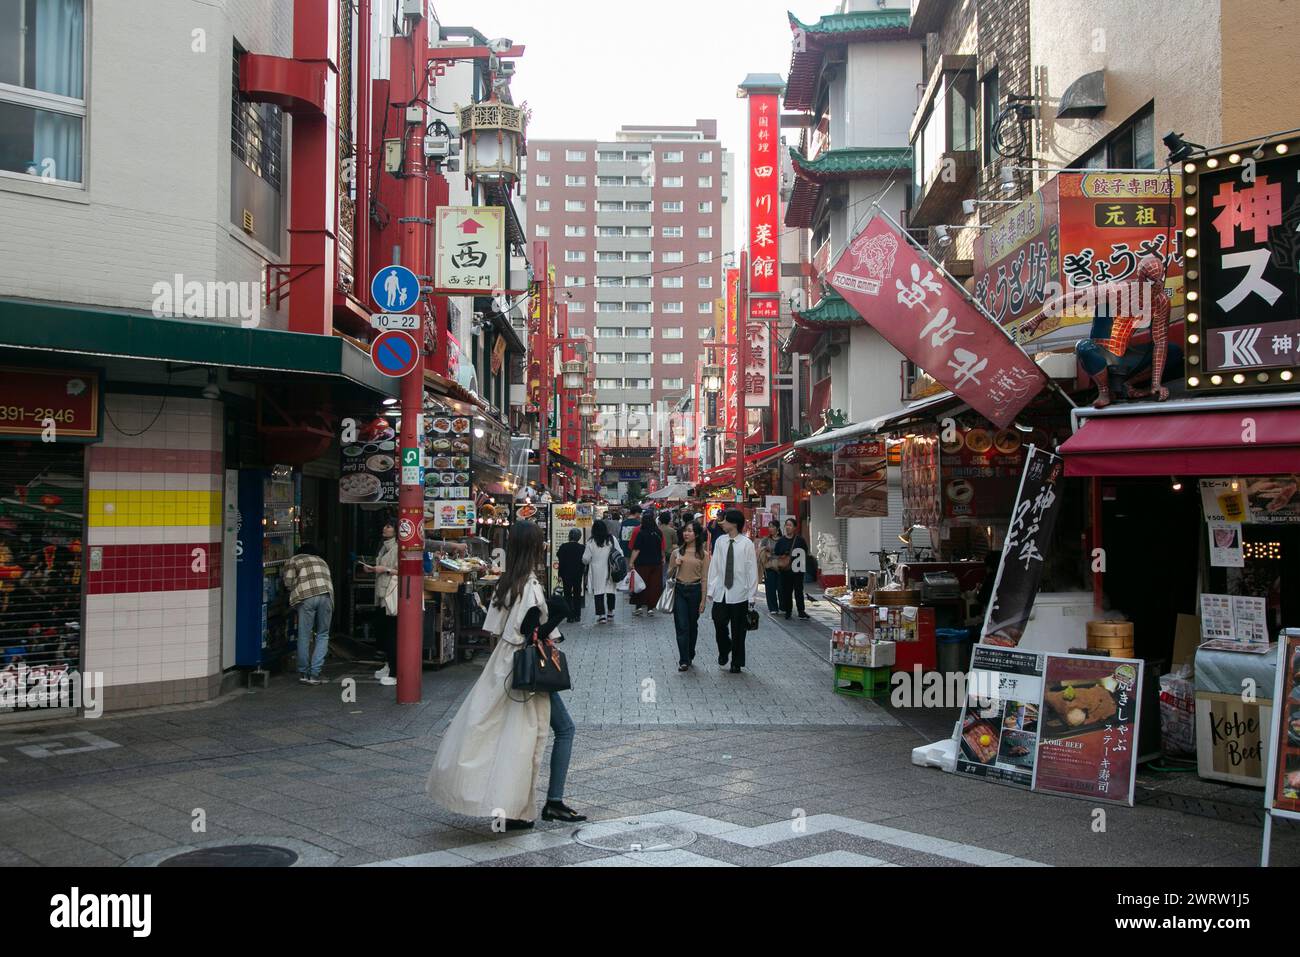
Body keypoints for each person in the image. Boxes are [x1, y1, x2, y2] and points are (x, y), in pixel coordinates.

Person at [426, 521, 586, 830]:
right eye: (540, 542)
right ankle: (549, 803)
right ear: (533, 547)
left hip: (504, 664)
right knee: (555, 731)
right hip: (529, 666)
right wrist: (554, 614)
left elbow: (497, 628)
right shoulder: (530, 584)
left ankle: (519, 805)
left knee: (508, 735)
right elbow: (533, 632)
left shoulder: (506, 582)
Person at [707, 509, 759, 674]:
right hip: (721, 591)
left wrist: (752, 595)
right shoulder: (720, 541)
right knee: (719, 622)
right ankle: (724, 648)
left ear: (734, 523)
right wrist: (711, 588)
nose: (722, 523)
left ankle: (736, 662)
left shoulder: (746, 544)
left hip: (739, 592)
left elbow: (752, 570)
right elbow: (714, 565)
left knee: (739, 630)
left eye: (725, 521)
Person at [282, 543, 334, 685]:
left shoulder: (294, 560)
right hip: (326, 596)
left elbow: (288, 582)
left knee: (304, 635)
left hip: (306, 597)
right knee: (323, 634)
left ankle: (304, 673)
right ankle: (315, 674)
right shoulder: (321, 561)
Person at [360, 521, 399, 686]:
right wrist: (373, 569)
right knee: (383, 631)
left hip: (390, 593)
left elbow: (405, 569)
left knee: (391, 633)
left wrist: (384, 570)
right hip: (381, 593)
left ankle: (395, 671)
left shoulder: (398, 548)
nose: (385, 528)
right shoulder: (384, 546)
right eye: (384, 526)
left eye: (389, 526)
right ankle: (388, 665)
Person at [667, 520, 710, 671]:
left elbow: (705, 578)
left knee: (692, 625)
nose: (686, 533)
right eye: (685, 530)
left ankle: (690, 652)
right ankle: (683, 659)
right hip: (679, 590)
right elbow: (669, 574)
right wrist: (674, 565)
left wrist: (703, 600)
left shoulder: (704, 555)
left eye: (690, 531)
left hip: (695, 590)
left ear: (697, 534)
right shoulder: (676, 553)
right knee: (682, 626)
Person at [629, 510, 664, 616]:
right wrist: (662, 558)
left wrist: (631, 562)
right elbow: (661, 547)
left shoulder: (641, 533)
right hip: (656, 563)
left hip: (642, 564)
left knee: (640, 585)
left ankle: (639, 607)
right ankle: (650, 609)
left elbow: (636, 550)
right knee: (653, 586)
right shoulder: (658, 533)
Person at [775, 518, 811, 620]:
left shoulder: (800, 540)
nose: (788, 527)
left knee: (799, 590)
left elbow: (805, 552)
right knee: (786, 591)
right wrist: (784, 553)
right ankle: (788, 610)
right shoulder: (781, 540)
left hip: (798, 569)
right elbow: (777, 552)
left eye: (790, 525)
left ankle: (801, 611)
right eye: (786, 525)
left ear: (795, 527)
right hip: (785, 570)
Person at [583, 521, 618, 623]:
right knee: (611, 590)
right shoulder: (612, 539)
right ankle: (610, 612)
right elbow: (619, 552)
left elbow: (586, 559)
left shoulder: (591, 542)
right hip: (611, 569)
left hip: (596, 570)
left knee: (598, 592)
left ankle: (601, 615)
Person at [556, 529, 586, 624]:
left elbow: (560, 558)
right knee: (577, 593)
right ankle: (577, 615)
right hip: (578, 574)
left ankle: (569, 616)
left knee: (567, 594)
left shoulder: (563, 547)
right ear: (579, 537)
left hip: (566, 574)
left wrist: (560, 574)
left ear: (569, 536)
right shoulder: (582, 548)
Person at [757, 520, 782, 617]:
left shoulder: (782, 540)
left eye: (772, 526)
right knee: (770, 588)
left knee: (781, 588)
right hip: (769, 567)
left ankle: (782, 606)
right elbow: (760, 551)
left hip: (781, 567)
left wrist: (772, 551)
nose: (770, 529)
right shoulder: (765, 540)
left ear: (777, 528)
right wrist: (764, 550)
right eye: (769, 526)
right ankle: (773, 608)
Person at [658, 511, 678, 581]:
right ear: (669, 520)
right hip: (669, 554)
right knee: (668, 571)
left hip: (658, 553)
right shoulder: (672, 530)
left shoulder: (657, 529)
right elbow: (675, 542)